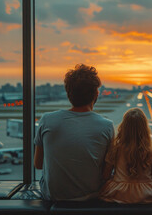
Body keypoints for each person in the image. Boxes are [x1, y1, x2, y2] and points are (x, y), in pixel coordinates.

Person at [34, 64, 114, 201]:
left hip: (53, 197)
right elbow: (106, 172)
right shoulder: (106, 126)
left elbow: (38, 164)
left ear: (68, 93)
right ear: (96, 94)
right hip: (91, 196)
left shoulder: (47, 120)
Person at [99, 108, 152, 204]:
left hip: (119, 193)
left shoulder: (115, 149)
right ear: (144, 129)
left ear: (123, 127)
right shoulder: (149, 151)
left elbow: (105, 175)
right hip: (145, 194)